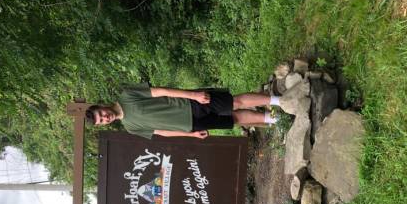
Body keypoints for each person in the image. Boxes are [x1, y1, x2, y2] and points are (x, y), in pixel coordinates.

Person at [84, 83, 284, 139]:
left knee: (236, 102)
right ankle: (276, 119)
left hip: (189, 104)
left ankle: (280, 102)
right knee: (235, 119)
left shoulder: (127, 95)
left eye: (101, 114)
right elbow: (162, 132)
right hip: (191, 124)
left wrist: (193, 95)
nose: (105, 118)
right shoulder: (130, 127)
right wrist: (191, 134)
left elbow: (161, 91)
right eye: (102, 121)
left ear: (101, 106)